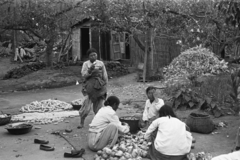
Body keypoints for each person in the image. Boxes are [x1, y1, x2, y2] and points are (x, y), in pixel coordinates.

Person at [78, 48, 108, 128]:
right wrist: (89, 71)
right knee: (86, 107)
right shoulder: (86, 64)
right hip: (89, 87)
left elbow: (105, 75)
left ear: (97, 55)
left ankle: (97, 123)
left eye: (94, 54)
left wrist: (105, 86)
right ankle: (82, 122)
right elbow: (84, 75)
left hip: (99, 86)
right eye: (91, 55)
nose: (93, 56)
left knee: (99, 107)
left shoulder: (100, 63)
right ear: (88, 57)